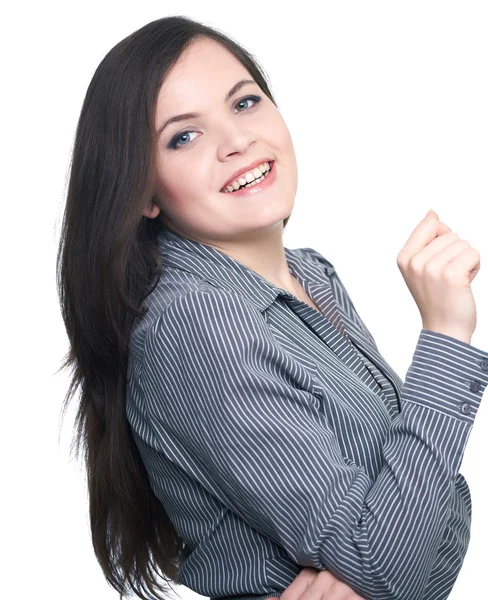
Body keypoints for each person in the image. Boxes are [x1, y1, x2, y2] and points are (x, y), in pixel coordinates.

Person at [56, 14, 488, 600]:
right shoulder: (194, 326)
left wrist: (399, 535)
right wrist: (444, 337)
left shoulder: (314, 275)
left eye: (245, 103)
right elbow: (391, 565)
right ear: (144, 192)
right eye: (184, 136)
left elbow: (435, 527)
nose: (237, 142)